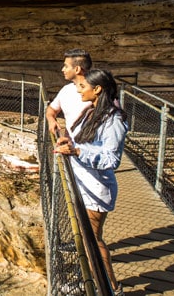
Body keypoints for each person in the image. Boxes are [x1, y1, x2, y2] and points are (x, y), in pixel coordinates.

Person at [54, 69, 128, 296]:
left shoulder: (113, 119)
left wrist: (76, 151)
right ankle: (93, 281)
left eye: (82, 87)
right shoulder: (92, 110)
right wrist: (68, 140)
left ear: (97, 90)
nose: (78, 90)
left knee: (93, 241)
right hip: (83, 183)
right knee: (88, 240)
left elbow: (111, 159)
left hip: (96, 188)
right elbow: (83, 139)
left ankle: (112, 289)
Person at [46, 48, 93, 138]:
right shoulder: (66, 90)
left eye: (66, 66)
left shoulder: (97, 93)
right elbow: (51, 109)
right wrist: (51, 120)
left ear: (77, 69)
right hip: (70, 145)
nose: (63, 69)